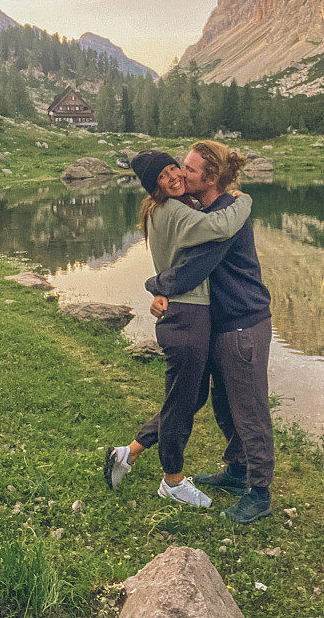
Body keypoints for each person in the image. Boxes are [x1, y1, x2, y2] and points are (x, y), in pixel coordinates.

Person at [103, 149, 252, 508]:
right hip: (187, 315)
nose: (173, 177)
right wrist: (244, 200)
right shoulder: (173, 211)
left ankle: (128, 453)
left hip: (181, 314)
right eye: (163, 177)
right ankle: (172, 480)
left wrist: (159, 289)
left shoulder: (165, 209)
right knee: (182, 403)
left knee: (187, 398)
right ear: (153, 188)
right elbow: (221, 226)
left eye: (175, 169)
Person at [145, 141, 274, 524]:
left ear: (211, 178)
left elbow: (191, 270)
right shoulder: (210, 210)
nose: (181, 174)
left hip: (243, 323)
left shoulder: (226, 218)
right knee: (225, 404)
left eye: (189, 168)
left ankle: (260, 492)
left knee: (250, 409)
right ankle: (236, 471)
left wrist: (156, 286)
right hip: (221, 322)